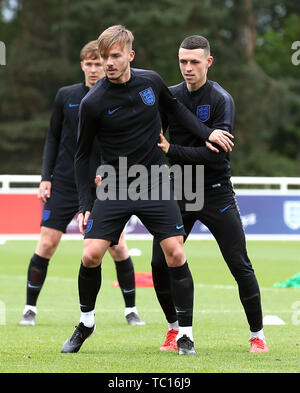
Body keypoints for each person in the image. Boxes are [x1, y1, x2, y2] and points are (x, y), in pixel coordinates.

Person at [61, 25, 234, 355]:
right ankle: (86, 323)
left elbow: (177, 111)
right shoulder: (92, 102)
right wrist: (85, 203)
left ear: (130, 55)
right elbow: (81, 156)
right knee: (90, 255)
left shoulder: (151, 82)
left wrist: (208, 132)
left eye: (115, 56)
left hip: (154, 180)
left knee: (175, 252)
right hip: (114, 185)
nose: (108, 63)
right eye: (103, 57)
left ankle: (184, 333)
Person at [151, 35, 269, 353]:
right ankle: (175, 330)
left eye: (194, 62)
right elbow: (155, 141)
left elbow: (216, 154)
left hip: (216, 192)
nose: (187, 68)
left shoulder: (220, 99)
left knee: (238, 263)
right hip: (178, 191)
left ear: (208, 62)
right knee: (159, 263)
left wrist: (173, 149)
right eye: (182, 61)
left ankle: (257, 335)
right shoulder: (171, 96)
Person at [19, 40, 145, 328]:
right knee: (47, 243)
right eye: (87, 64)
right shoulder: (66, 96)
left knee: (117, 247)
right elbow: (52, 138)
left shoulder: (115, 97)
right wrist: (45, 177)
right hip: (64, 182)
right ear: (81, 66)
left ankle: (130, 310)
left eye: (97, 63)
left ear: (106, 65)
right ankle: (29, 308)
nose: (93, 69)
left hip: (103, 185)